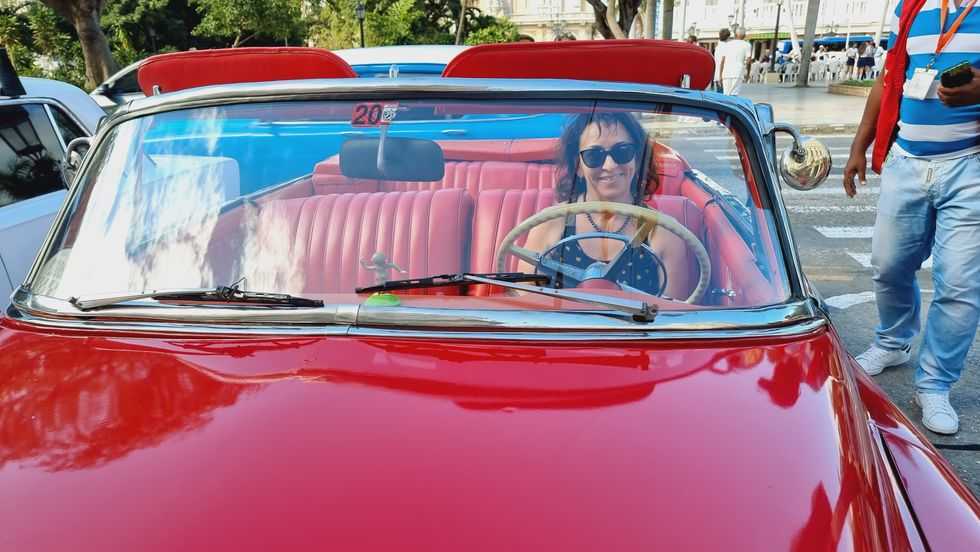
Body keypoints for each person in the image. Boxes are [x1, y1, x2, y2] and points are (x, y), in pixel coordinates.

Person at [843, 0, 980, 435]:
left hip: (971, 166)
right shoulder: (912, 6)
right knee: (888, 265)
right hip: (906, 161)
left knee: (959, 285)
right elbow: (890, 77)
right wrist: (860, 145)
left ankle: (934, 384)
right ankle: (894, 341)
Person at [519, 112, 694, 300]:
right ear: (578, 167)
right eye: (594, 155)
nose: (609, 165)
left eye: (622, 152)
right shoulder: (549, 224)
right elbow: (524, 300)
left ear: (637, 159)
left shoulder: (664, 233)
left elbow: (674, 312)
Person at [718, 28, 752, 95]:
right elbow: (748, 61)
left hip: (726, 72)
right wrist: (748, 74)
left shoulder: (727, 44)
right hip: (738, 72)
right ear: (744, 35)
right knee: (734, 94)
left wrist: (720, 75)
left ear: (735, 35)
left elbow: (723, 61)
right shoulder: (747, 45)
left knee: (726, 94)